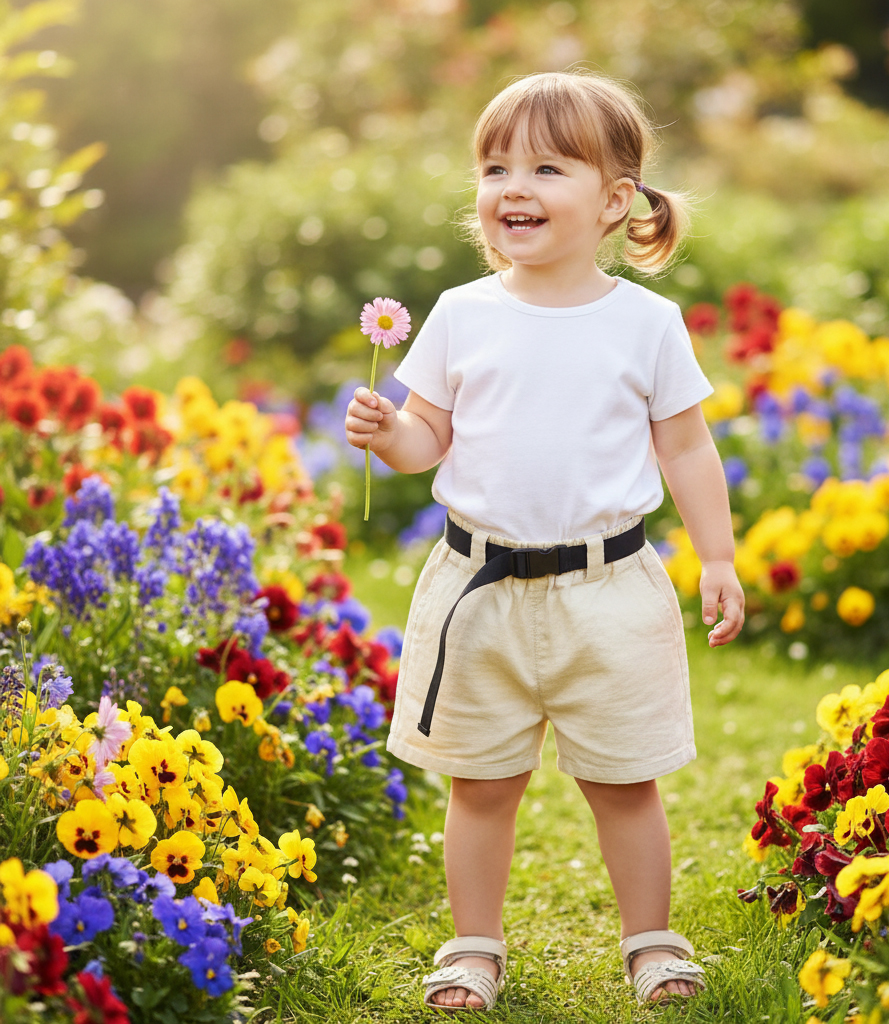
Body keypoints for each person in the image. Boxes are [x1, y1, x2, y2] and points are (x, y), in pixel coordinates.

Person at [345, 70, 744, 1013]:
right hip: (477, 587)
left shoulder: (645, 324)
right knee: (481, 785)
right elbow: (427, 440)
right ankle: (473, 946)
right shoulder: (462, 312)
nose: (512, 186)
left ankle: (651, 940)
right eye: (494, 166)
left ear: (614, 202)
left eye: (546, 167)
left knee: (624, 781)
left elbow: (685, 446)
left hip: (609, 591)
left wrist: (717, 555)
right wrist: (388, 432)